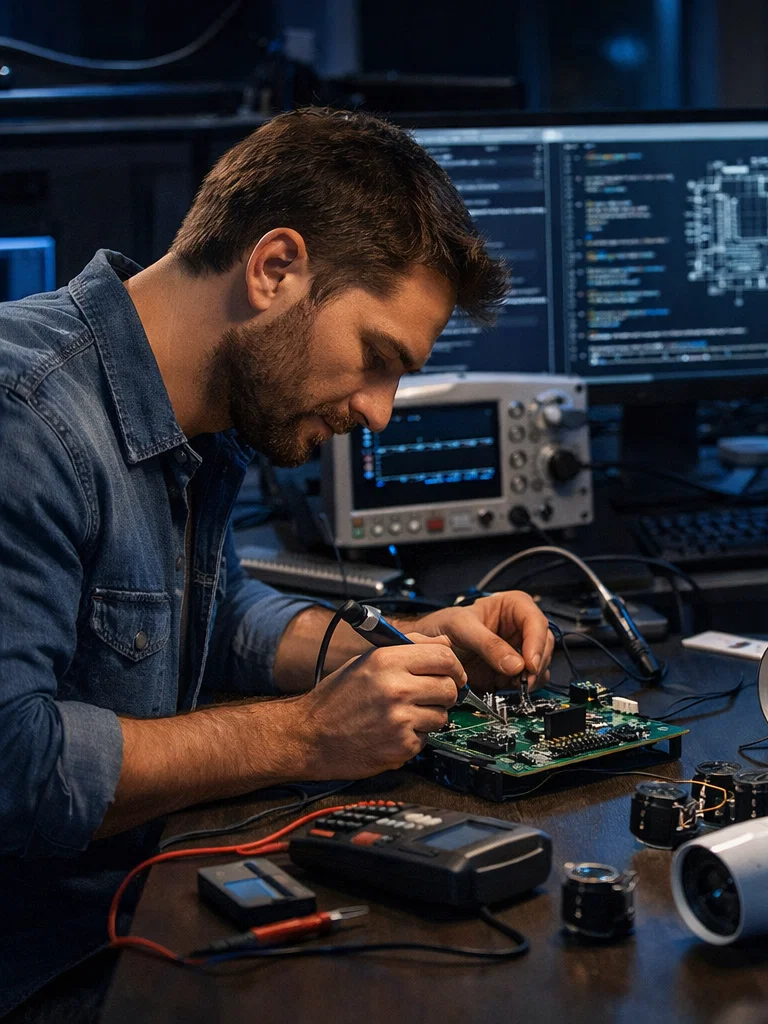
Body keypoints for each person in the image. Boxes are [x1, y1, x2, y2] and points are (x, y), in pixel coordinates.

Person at [0, 108, 553, 1016]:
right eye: (378, 358)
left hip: (128, 923)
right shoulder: (27, 420)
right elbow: (14, 769)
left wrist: (391, 644)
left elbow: (200, 615)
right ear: (274, 269)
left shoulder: (195, 416)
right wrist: (304, 734)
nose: (380, 412)